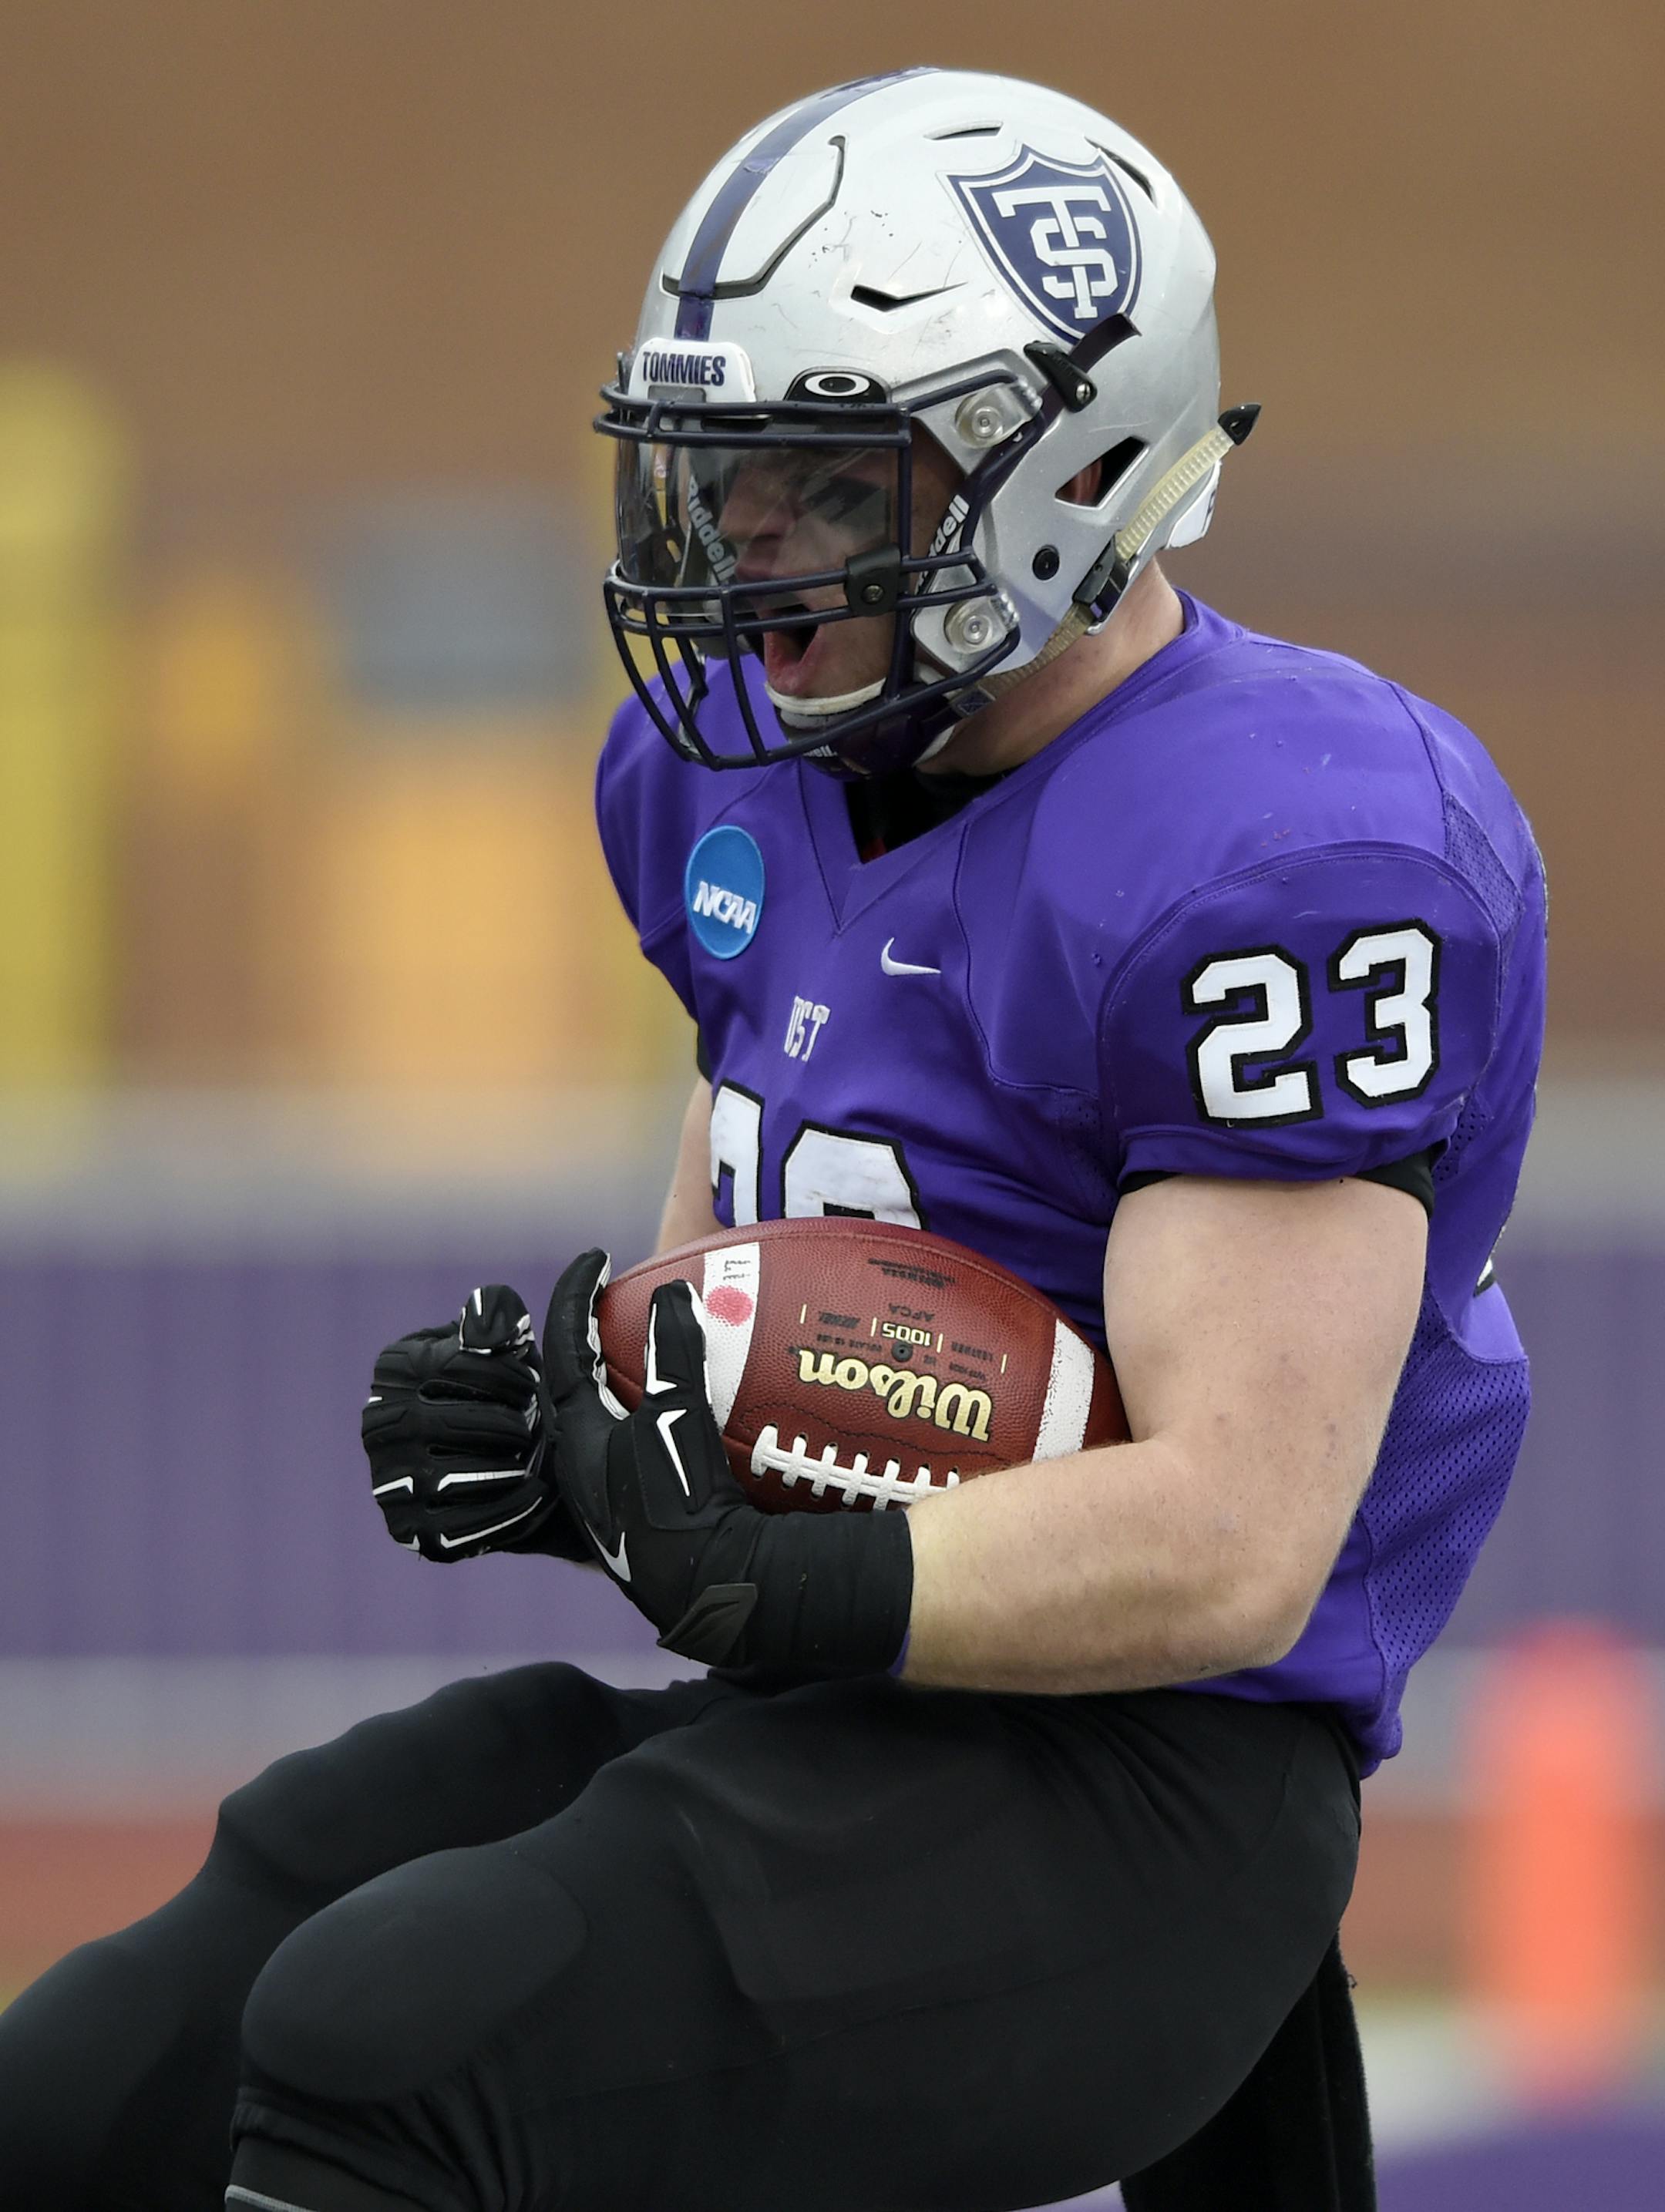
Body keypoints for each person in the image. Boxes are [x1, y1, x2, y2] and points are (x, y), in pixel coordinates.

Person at [0, 68, 1543, 2212]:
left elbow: (1231, 1538)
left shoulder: (1289, 847)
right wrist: (589, 1429)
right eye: (727, 484)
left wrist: (776, 1569)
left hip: (1146, 1792)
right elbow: (742, 1291)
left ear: (1064, 469)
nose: (751, 552)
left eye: (825, 481)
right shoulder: (723, 780)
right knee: (121, 2056)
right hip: (846, 1713)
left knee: (400, 2039)